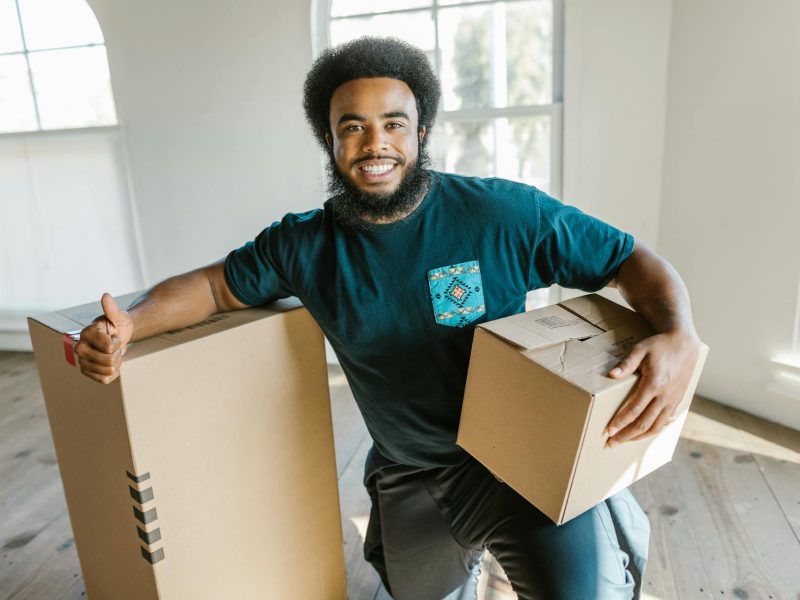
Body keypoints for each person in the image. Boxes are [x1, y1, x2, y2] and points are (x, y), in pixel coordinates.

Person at [76, 37, 702, 600]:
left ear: (421, 133)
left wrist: (678, 333)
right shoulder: (303, 246)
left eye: (393, 124)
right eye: (352, 127)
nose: (374, 144)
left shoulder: (500, 215)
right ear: (330, 140)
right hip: (409, 471)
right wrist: (133, 323)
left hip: (519, 462)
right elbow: (214, 287)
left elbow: (627, 258)